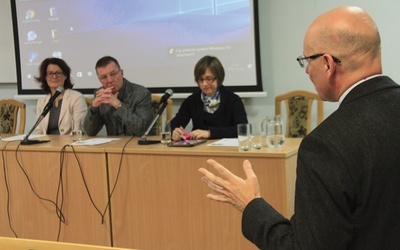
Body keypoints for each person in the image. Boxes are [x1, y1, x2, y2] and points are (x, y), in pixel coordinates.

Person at [198, 6, 400, 249]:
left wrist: (251, 204)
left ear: (327, 64)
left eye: (306, 60)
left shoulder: (326, 146)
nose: (306, 71)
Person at [170, 55, 247, 141]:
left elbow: (243, 129)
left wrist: (209, 133)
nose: (204, 84)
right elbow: (173, 125)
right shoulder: (191, 101)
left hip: (226, 150)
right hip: (199, 150)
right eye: (200, 79)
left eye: (209, 79)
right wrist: (175, 132)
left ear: (219, 78)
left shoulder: (233, 99)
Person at [83, 56, 152, 136]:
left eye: (113, 74)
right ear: (99, 80)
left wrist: (118, 105)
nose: (109, 80)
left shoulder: (141, 93)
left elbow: (142, 130)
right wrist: (93, 107)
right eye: (104, 77)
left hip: (137, 146)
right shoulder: (100, 94)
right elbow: (90, 132)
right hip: (113, 146)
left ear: (121, 73)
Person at [34, 58, 87, 135]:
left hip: (68, 144)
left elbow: (78, 130)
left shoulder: (76, 98)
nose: (54, 77)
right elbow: (39, 131)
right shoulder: (41, 102)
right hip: (46, 145)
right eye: (50, 73)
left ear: (65, 76)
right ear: (45, 77)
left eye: (58, 73)